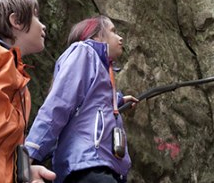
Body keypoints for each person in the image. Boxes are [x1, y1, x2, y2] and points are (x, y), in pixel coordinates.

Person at [25, 15, 138, 183]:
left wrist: (119, 100)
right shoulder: (83, 51)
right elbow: (59, 103)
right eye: (113, 31)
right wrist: (30, 153)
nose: (120, 38)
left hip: (100, 165)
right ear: (96, 36)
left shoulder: (102, 67)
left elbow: (95, 100)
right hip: (87, 164)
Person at [0, 0, 56, 183]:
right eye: (36, 16)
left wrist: (21, 172)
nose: (43, 25)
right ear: (17, 21)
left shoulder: (22, 87)